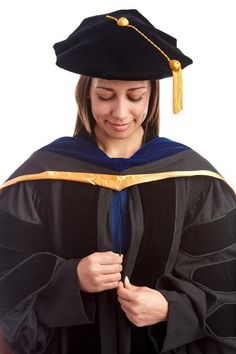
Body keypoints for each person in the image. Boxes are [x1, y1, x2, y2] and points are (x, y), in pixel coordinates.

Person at [0, 8, 235, 354]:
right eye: (105, 96)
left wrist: (173, 309)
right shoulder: (41, 177)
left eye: (135, 97)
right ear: (86, 94)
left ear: (152, 95)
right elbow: (8, 278)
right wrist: (70, 278)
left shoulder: (194, 180)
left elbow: (227, 282)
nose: (120, 113)